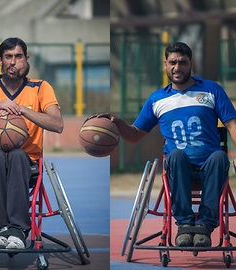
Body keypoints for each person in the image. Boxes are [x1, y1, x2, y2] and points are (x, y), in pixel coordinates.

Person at [100, 42, 236, 247]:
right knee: (176, 155)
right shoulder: (157, 99)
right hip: (178, 168)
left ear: (191, 63)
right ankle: (184, 224)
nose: (177, 67)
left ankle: (205, 226)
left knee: (219, 156)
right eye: (172, 62)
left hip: (211, 166)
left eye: (182, 62)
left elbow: (232, 124)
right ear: (165, 64)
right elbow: (135, 135)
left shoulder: (212, 90)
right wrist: (118, 123)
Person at [0, 37, 63, 249]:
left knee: (17, 154)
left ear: (26, 59)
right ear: (0, 60)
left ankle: (17, 229)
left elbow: (57, 124)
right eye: (8, 57)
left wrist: (23, 109)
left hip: (28, 161)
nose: (13, 62)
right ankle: (0, 229)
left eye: (18, 57)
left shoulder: (40, 88)